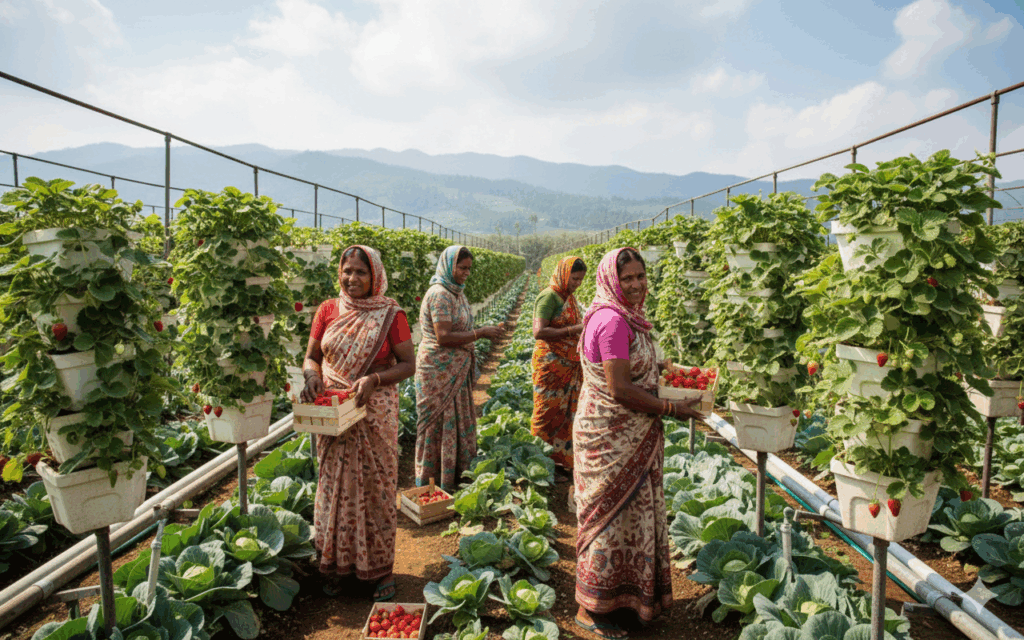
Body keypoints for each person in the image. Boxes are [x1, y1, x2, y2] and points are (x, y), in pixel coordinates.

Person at [573, 247, 703, 639]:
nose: (635, 284)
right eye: (627, 278)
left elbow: (636, 367)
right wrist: (670, 407)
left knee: (631, 519)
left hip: (634, 438)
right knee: (608, 523)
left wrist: (666, 370)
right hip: (611, 438)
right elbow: (620, 389)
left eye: (640, 276)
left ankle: (626, 602)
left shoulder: (631, 319)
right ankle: (590, 609)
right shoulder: (612, 321)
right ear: (612, 280)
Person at [300, 245, 415, 603]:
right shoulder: (328, 310)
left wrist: (374, 381)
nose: (351, 279)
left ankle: (379, 570)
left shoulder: (391, 314)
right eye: (347, 271)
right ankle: (335, 565)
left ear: (375, 276)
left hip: (373, 412)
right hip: (333, 414)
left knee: (374, 490)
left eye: (360, 273)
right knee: (332, 489)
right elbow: (311, 357)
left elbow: (408, 364)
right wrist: (311, 377)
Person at [414, 245, 505, 493]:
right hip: (437, 370)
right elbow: (443, 336)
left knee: (456, 420)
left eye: (468, 269)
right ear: (448, 265)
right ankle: (432, 484)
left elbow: (460, 329)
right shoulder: (439, 294)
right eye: (462, 268)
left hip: (456, 368)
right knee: (438, 423)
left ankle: (453, 477)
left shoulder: (457, 293)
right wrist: (481, 333)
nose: (466, 273)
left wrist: (483, 330)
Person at [530, 256, 586, 473]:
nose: (577, 284)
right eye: (574, 279)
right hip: (550, 365)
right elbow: (539, 332)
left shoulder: (568, 298)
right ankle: (538, 462)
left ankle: (561, 462)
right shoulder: (549, 297)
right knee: (547, 413)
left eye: (580, 280)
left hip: (569, 365)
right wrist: (573, 330)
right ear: (563, 274)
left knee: (566, 415)